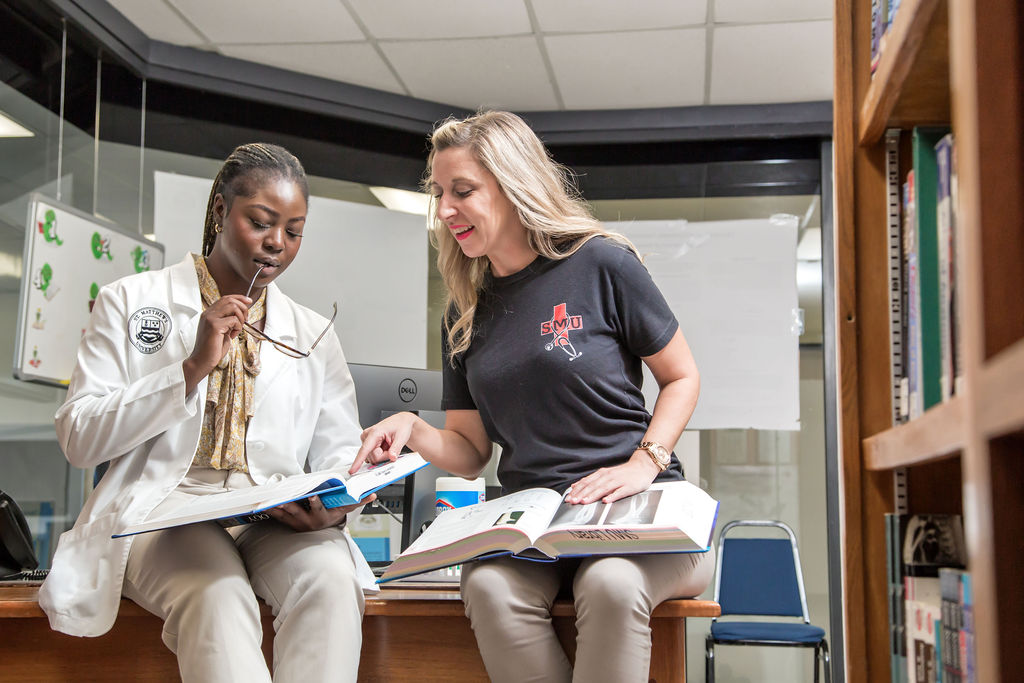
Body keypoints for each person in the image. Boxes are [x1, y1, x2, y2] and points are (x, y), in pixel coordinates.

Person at [352, 111, 715, 682]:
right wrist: (414, 430)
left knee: (611, 583)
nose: (445, 210)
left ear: (513, 184)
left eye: (462, 191)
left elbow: (682, 376)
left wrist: (645, 462)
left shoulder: (600, 262)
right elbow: (471, 451)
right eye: (439, 194)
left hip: (637, 512)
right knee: (488, 584)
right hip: (538, 524)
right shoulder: (463, 313)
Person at [39, 143, 375, 683]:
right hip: (165, 513)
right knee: (218, 594)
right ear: (221, 211)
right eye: (261, 223)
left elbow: (339, 450)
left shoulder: (312, 331)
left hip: (272, 516)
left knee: (332, 579)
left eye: (293, 232)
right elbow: (79, 437)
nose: (276, 245)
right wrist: (191, 368)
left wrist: (334, 508)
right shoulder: (130, 301)